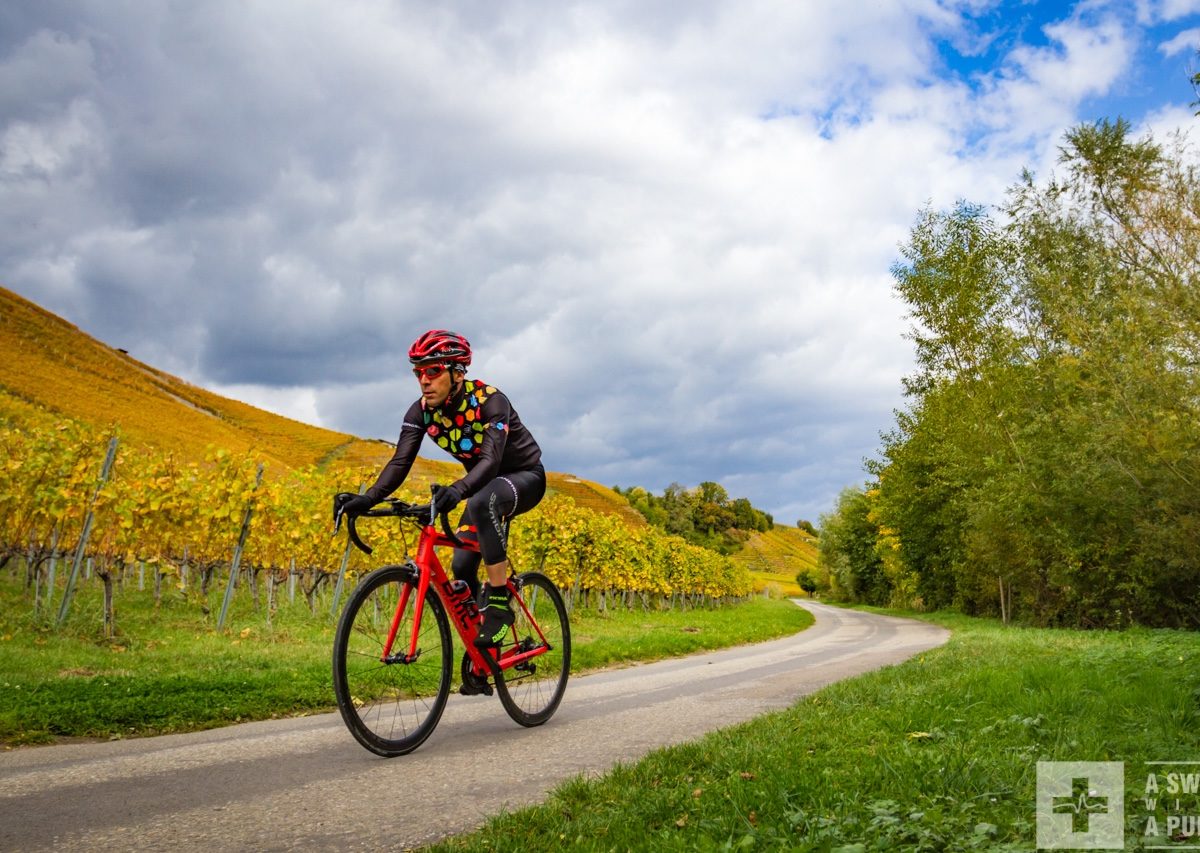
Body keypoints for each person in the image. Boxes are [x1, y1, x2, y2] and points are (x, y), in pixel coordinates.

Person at [336, 329, 545, 652]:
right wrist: (367, 498)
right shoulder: (421, 412)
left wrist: (456, 491)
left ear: (457, 372)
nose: (424, 380)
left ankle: (501, 607)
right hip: (480, 487)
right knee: (461, 566)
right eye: (418, 372)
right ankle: (486, 653)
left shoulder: (490, 401)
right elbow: (400, 462)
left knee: (480, 501)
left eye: (433, 371)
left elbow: (490, 462)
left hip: (524, 476)